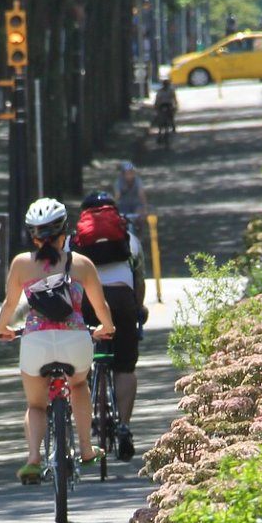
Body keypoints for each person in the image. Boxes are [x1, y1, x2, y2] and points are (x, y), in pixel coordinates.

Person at [0, 198, 116, 483]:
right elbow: (101, 308)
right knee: (79, 384)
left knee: (36, 405)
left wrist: (2, 329)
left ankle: (33, 459)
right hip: (75, 340)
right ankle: (86, 449)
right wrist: (106, 328)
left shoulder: (21, 264)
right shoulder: (82, 264)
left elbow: (9, 306)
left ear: (32, 236)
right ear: (65, 232)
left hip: (36, 343)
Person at [73, 192, 146, 460]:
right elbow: (138, 279)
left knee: (81, 362)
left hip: (86, 303)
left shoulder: (72, 241)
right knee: (125, 366)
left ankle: (92, 402)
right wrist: (138, 308)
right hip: (120, 300)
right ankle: (124, 426)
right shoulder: (129, 239)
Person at [113, 161, 150, 227]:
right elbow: (117, 196)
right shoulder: (118, 182)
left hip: (136, 205)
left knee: (140, 219)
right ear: (123, 174)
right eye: (127, 173)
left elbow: (141, 194)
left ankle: (139, 234)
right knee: (121, 222)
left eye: (131, 173)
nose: (129, 175)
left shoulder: (138, 180)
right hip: (123, 205)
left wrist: (145, 208)